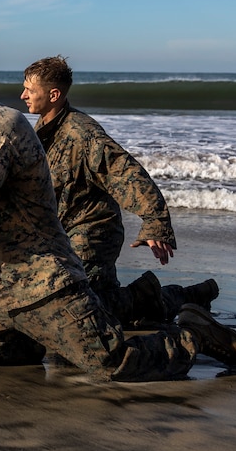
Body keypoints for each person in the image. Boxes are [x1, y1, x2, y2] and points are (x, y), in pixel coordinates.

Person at [0, 49, 236, 380]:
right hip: (4, 278)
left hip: (60, 258)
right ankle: (45, 330)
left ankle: (193, 335)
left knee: (103, 357)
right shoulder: (12, 130)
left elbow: (121, 171)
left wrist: (155, 221)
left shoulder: (19, 130)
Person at [20, 55, 219, 325]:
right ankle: (170, 296)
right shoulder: (45, 127)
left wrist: (155, 221)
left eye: (30, 90)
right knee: (97, 307)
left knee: (84, 315)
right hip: (64, 234)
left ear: (53, 94)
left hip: (91, 235)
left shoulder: (84, 135)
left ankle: (167, 297)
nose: (22, 95)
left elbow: (127, 173)